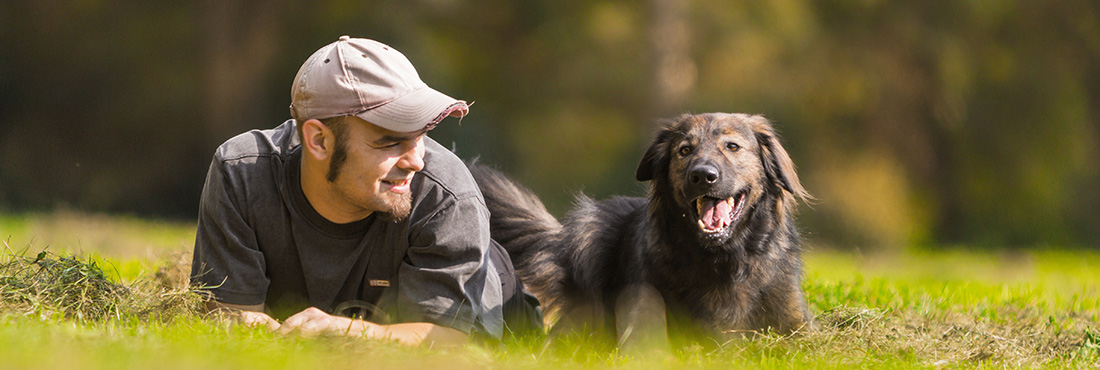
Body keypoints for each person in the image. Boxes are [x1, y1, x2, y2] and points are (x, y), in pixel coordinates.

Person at [190, 36, 540, 346]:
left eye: (421, 136)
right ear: (318, 140)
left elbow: (445, 342)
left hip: (492, 303)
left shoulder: (446, 196)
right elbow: (229, 323)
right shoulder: (242, 175)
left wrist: (341, 331)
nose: (416, 161)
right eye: (390, 142)